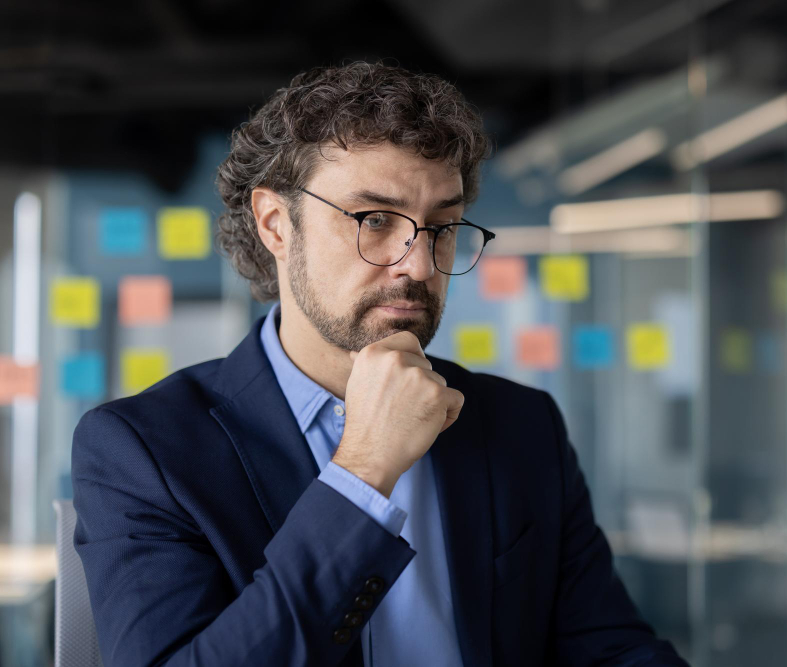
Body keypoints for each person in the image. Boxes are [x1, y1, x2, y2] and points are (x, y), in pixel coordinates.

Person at [72, 60, 689, 667]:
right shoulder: (143, 451)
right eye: (375, 220)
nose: (418, 264)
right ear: (276, 224)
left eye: (441, 226)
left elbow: (613, 651)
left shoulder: (522, 424)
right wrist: (363, 473)